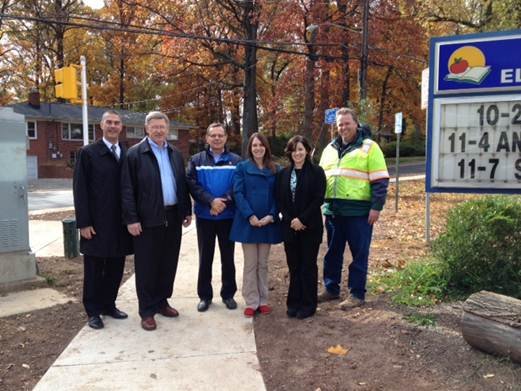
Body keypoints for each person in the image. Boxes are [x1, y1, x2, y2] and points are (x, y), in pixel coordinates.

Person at [121, 111, 192, 331]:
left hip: (172, 216)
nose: (159, 130)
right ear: (146, 128)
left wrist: (186, 210)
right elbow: (127, 190)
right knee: (146, 266)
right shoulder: (134, 154)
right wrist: (131, 219)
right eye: (155, 127)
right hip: (147, 218)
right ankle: (147, 310)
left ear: (167, 129)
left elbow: (182, 184)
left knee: (168, 262)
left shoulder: (175, 153)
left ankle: (162, 302)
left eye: (162, 127)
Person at [319, 107, 389, 310]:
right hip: (333, 211)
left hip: (359, 213)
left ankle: (357, 293)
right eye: (340, 124)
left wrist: (376, 208)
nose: (343, 128)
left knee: (359, 254)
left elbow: (381, 181)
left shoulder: (370, 147)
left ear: (356, 124)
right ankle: (331, 289)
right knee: (332, 253)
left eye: (347, 123)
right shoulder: (329, 149)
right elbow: (322, 179)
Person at [73, 110, 133, 330]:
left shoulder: (125, 153)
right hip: (96, 224)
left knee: (116, 266)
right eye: (109, 122)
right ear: (101, 126)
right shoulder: (88, 153)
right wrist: (84, 222)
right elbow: (80, 190)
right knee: (94, 269)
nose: (113, 126)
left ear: (121, 127)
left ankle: (109, 304)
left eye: (117, 123)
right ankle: (93, 311)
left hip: (119, 223)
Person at [187, 123, 241, 312]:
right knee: (205, 258)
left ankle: (228, 294)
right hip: (205, 217)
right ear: (207, 138)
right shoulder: (196, 160)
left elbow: (237, 185)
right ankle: (205, 296)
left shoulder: (236, 161)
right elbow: (192, 184)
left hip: (227, 217)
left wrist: (222, 202)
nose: (217, 138)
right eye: (213, 135)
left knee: (228, 258)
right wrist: (210, 202)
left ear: (226, 138)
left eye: (220, 135)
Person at [230, 132, 282, 317]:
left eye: (261, 145)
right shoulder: (242, 168)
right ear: (250, 148)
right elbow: (238, 193)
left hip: (267, 222)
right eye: (254, 146)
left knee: (263, 263)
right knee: (250, 264)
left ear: (266, 147)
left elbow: (280, 195)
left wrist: (271, 215)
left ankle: (263, 300)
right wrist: (249, 215)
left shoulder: (276, 169)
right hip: (249, 224)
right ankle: (251, 301)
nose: (258, 148)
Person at [276, 135, 326, 319]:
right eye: (294, 149)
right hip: (290, 228)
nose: (297, 153)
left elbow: (318, 199)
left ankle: (308, 304)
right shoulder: (283, 174)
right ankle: (294, 302)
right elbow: (280, 200)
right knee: (294, 266)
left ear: (307, 151)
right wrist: (291, 220)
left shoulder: (317, 172)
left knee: (308, 266)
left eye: (300, 149)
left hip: (310, 228)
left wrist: (302, 220)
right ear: (289, 152)